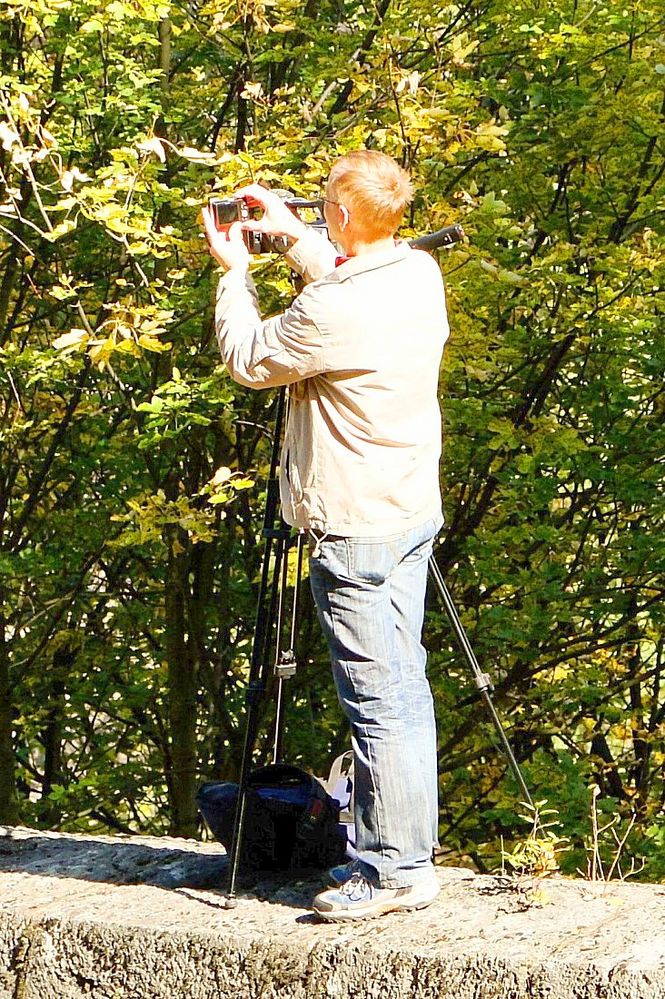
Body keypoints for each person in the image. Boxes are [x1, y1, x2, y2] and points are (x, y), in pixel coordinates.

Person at [202, 150, 450, 921]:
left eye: (319, 208)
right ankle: (409, 853)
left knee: (377, 700)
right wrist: (283, 232)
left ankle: (391, 870)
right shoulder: (415, 273)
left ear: (341, 215)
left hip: (355, 528)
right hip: (406, 507)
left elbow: (250, 356)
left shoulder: (335, 311)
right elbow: (347, 280)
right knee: (403, 690)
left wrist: (232, 272)